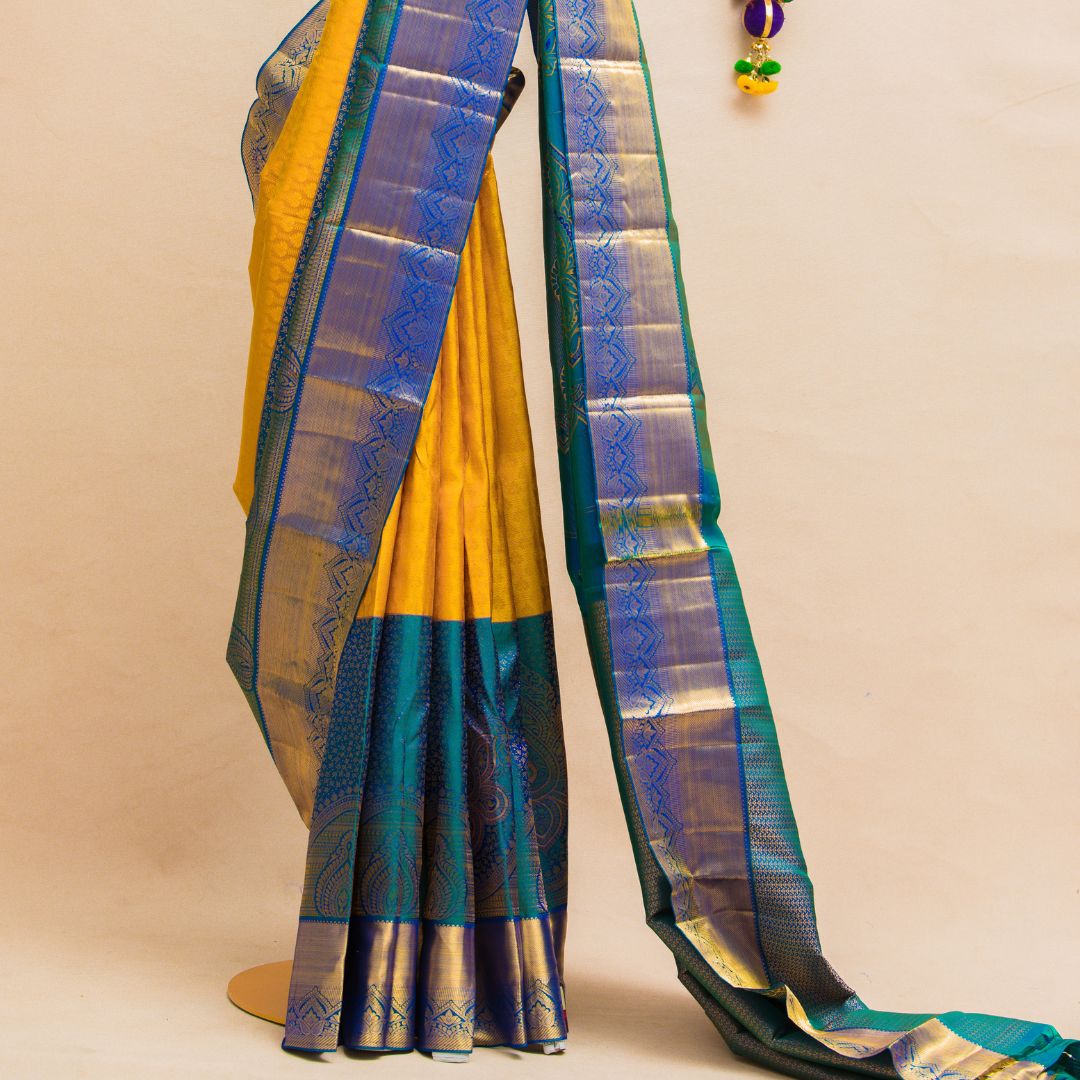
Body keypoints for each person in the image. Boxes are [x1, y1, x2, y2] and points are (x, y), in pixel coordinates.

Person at [227, 1, 1079, 1075]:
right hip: (398, 118)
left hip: (418, 96)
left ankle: (416, 938)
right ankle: (412, 930)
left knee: (419, 485)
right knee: (366, 467)